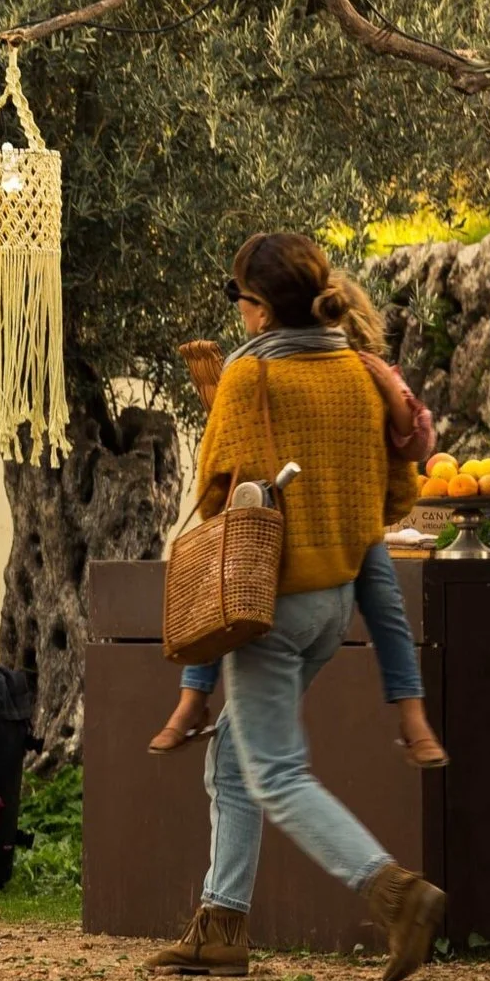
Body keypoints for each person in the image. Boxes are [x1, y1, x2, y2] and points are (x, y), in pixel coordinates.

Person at [149, 233, 446, 981]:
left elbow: (221, 487)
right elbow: (388, 497)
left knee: (277, 771)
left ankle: (392, 892)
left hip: (269, 604)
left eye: (242, 301)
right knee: (234, 755)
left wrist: (219, 401)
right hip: (332, 604)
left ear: (257, 309)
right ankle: (221, 924)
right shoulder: (357, 369)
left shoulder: (250, 371)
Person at [149, 273, 449, 769]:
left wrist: (394, 401)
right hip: (297, 517)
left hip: (348, 521)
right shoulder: (276, 366)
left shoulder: (365, 370)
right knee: (225, 576)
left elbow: (416, 443)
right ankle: (191, 701)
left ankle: (413, 717)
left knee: (383, 603)